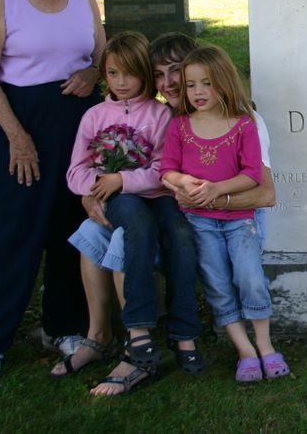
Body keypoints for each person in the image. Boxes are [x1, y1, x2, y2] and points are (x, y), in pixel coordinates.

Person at [57, 33, 277, 384]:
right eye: (159, 74)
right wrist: (92, 190)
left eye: (177, 71)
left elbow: (265, 194)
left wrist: (208, 197)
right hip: (167, 214)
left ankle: (139, 345)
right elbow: (159, 172)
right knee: (90, 232)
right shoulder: (169, 118)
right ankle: (101, 334)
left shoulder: (242, 120)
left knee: (125, 239)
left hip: (218, 222)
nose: (169, 82)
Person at [0, 0, 104, 382]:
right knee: (16, 231)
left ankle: (63, 325)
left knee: (70, 226)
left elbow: (103, 55)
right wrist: (17, 136)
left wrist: (92, 73)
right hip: (18, 121)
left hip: (77, 121)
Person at [64, 31, 202, 395]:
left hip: (155, 194)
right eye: (113, 73)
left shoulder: (159, 114)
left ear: (143, 74)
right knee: (131, 228)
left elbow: (163, 168)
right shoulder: (94, 116)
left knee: (178, 235)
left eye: (130, 73)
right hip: (120, 198)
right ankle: (133, 333)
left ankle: (179, 332)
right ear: (104, 75)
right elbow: (76, 170)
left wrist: (122, 178)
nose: (122, 82)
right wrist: (98, 186)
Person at [162, 45, 288, 383]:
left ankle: (265, 346)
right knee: (216, 282)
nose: (198, 92)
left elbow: (253, 174)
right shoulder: (180, 126)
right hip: (199, 221)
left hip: (240, 220)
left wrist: (218, 190)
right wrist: (182, 181)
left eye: (207, 83)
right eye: (191, 85)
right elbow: (167, 170)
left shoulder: (243, 124)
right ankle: (244, 350)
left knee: (250, 277)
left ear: (224, 82)